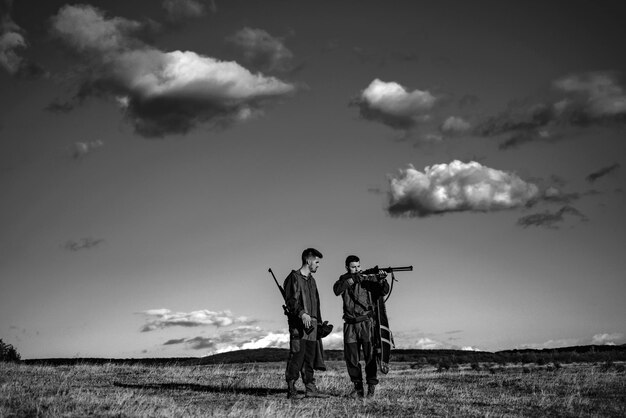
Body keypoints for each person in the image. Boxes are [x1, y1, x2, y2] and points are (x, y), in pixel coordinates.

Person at [333, 255, 389, 398]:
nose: (357, 269)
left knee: (370, 356)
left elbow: (383, 291)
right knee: (351, 358)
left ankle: (371, 388)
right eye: (353, 267)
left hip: (366, 324)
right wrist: (352, 280)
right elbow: (337, 290)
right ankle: (357, 388)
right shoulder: (343, 279)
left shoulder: (368, 279)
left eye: (358, 266)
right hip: (350, 325)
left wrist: (382, 280)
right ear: (347, 268)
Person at [283, 247, 329, 399]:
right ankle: (291, 389)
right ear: (308, 261)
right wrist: (302, 313)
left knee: (309, 358)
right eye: (316, 262)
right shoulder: (293, 278)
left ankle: (310, 389)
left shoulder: (312, 281)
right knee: (297, 356)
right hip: (298, 326)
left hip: (312, 328)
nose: (318, 265)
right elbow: (291, 301)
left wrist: (320, 324)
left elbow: (317, 303)